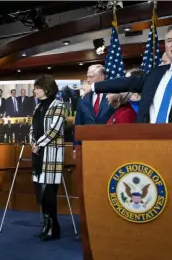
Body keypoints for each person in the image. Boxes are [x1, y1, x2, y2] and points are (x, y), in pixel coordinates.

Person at [82, 24, 172, 124]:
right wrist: (94, 87)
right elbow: (127, 82)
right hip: (147, 143)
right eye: (169, 40)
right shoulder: (156, 73)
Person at [30, 74, 66, 241]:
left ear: (46, 89)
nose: (35, 91)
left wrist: (39, 144)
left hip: (51, 154)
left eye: (37, 88)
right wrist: (32, 143)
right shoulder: (37, 107)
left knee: (49, 192)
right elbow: (32, 127)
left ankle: (54, 227)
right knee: (41, 192)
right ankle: (46, 226)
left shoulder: (59, 105)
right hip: (38, 154)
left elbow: (54, 130)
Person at [74, 64, 114, 149]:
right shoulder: (83, 98)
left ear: (101, 78)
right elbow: (78, 124)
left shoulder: (113, 96)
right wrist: (76, 147)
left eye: (91, 77)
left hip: (109, 145)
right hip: (87, 146)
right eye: (87, 77)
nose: (88, 80)